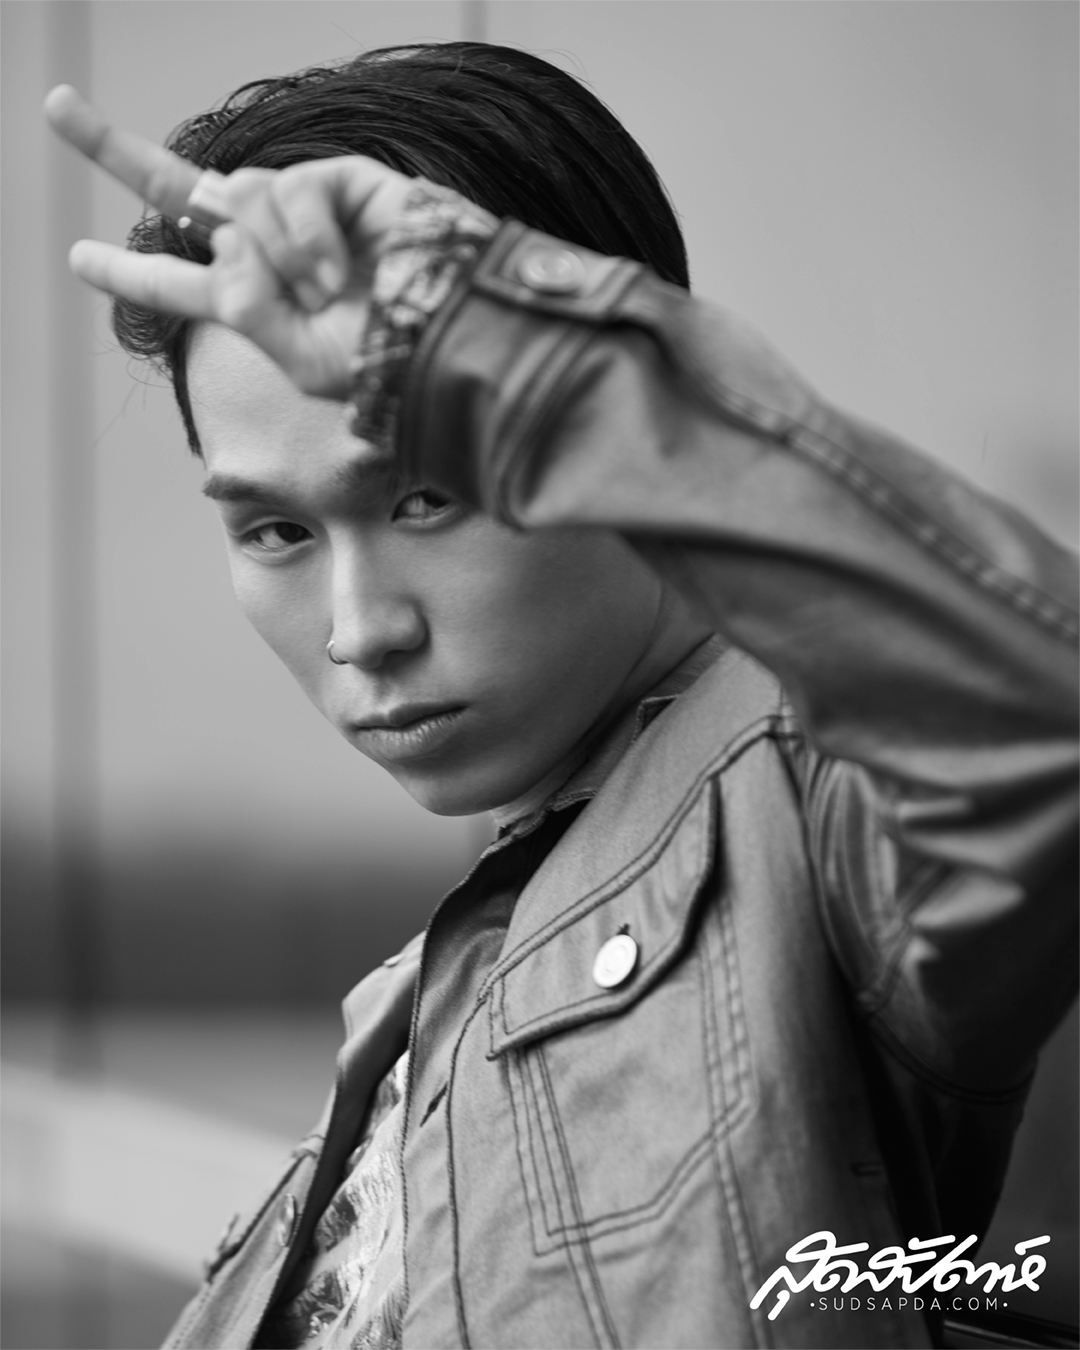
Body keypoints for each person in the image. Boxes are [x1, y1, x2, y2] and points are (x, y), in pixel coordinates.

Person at [46, 41, 1077, 1350]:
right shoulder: (412, 1015)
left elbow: (1040, 731)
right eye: (277, 531)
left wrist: (560, 373)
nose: (363, 629)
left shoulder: (820, 792)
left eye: (430, 494)